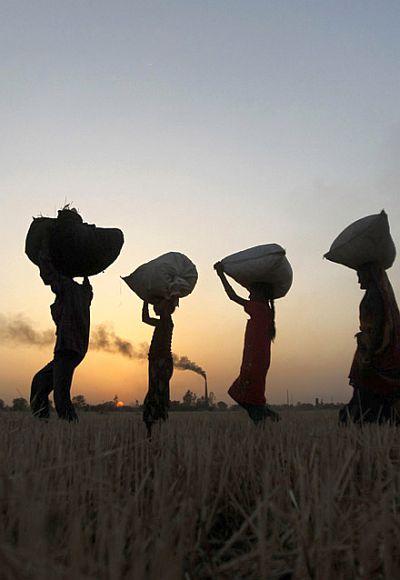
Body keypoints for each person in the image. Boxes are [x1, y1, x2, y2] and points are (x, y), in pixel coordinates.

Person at [30, 240, 93, 422]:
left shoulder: (66, 287)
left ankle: (70, 429)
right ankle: (41, 423)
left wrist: (44, 252)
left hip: (67, 347)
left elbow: (49, 275)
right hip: (73, 348)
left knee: (61, 395)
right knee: (40, 382)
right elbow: (88, 287)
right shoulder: (83, 292)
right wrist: (87, 272)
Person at [214, 261, 280, 425]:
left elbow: (233, 297)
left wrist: (221, 275)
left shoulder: (258, 308)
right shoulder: (265, 310)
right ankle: (264, 415)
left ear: (260, 295)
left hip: (254, 361)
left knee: (244, 394)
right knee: (248, 394)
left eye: (252, 292)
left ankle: (262, 417)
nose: (249, 296)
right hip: (257, 360)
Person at [339, 263, 400, 424]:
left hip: (372, 350)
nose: (358, 279)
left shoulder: (374, 295)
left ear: (370, 274)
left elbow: (377, 327)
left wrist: (369, 354)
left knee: (367, 388)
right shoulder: (376, 294)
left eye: (360, 274)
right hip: (370, 348)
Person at [142, 296, 178, 437]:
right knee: (155, 392)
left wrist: (149, 300)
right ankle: (153, 428)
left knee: (157, 394)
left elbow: (146, 318)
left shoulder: (166, 322)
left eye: (158, 306)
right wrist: (145, 301)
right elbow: (145, 318)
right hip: (158, 362)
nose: (155, 307)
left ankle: (154, 427)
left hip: (161, 362)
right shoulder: (162, 322)